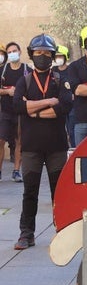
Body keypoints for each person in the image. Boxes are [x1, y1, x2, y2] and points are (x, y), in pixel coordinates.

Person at [13, 34, 73, 250]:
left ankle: (63, 230)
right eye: (38, 53)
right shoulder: (24, 80)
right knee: (30, 191)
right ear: (32, 55)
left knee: (60, 191)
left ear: (52, 56)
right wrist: (48, 102)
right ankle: (26, 234)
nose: (42, 57)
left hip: (56, 146)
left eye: (47, 53)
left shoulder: (60, 80)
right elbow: (17, 107)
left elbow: (64, 108)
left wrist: (33, 108)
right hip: (31, 148)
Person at [0, 42, 29, 182]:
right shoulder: (3, 70)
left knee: (19, 141)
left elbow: (33, 89)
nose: (12, 54)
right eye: (9, 52)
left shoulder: (27, 70)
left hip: (20, 112)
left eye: (14, 51)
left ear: (20, 51)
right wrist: (7, 91)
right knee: (1, 141)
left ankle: (16, 171)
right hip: (5, 112)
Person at [53, 45, 75, 147]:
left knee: (72, 130)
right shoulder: (53, 71)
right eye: (56, 56)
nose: (58, 59)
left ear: (66, 57)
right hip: (57, 104)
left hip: (71, 105)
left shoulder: (71, 70)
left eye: (60, 56)